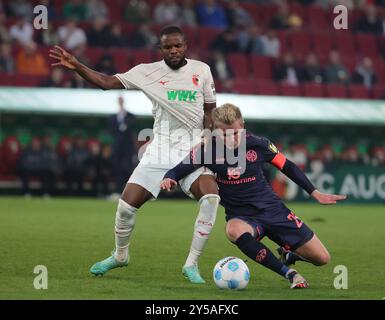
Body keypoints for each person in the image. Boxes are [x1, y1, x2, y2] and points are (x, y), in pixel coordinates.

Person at [49, 26, 219, 283]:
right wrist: (78, 66)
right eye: (167, 46)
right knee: (126, 206)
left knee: (210, 198)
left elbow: (210, 110)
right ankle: (120, 255)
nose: (173, 50)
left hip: (191, 149)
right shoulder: (145, 71)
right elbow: (106, 83)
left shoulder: (202, 70)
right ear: (159, 49)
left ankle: (191, 264)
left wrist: (206, 137)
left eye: (178, 45)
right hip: (160, 148)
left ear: (185, 45)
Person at [161, 103, 346, 289]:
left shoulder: (259, 144)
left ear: (242, 126)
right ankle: (290, 274)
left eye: (234, 132)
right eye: (224, 134)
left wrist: (315, 192)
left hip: (274, 211)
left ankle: (289, 254)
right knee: (232, 230)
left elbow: (287, 166)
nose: (231, 138)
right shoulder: (208, 150)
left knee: (322, 258)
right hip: (243, 217)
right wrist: (169, 178)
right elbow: (178, 170)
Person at [108, 96, 136, 197]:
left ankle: (129, 193)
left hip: (128, 149)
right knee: (118, 171)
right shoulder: (113, 117)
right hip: (117, 149)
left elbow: (131, 126)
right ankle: (118, 192)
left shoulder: (130, 116)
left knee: (128, 170)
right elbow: (111, 131)